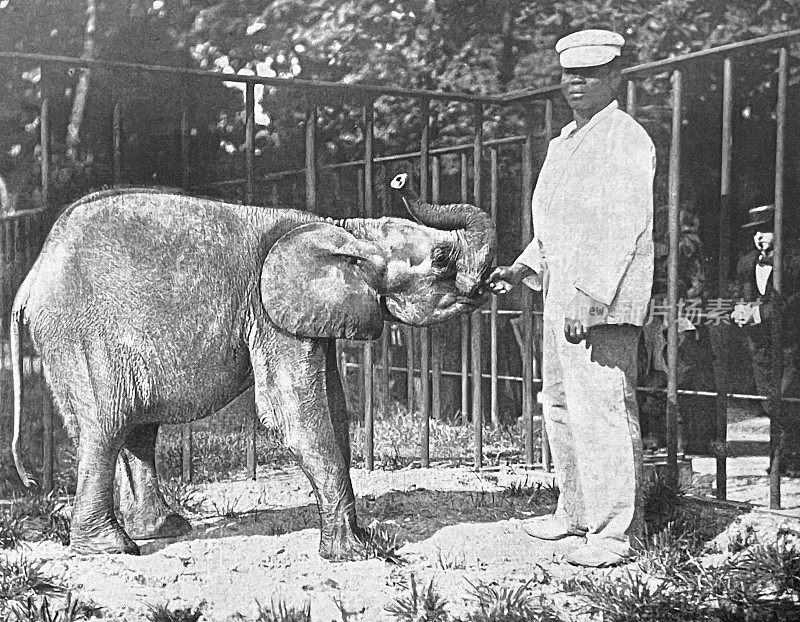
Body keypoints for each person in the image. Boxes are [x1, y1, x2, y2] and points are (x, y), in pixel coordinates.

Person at [487, 28, 656, 567]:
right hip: (562, 294)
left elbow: (623, 226)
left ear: (615, 76)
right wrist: (523, 266)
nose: (575, 83)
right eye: (568, 74)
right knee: (559, 404)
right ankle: (576, 511)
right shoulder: (564, 141)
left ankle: (613, 534)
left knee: (602, 408)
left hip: (603, 298)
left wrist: (592, 298)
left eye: (590, 73)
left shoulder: (626, 138)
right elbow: (557, 225)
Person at [731, 205, 800, 475]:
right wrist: (739, 310)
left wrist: (760, 313)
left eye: (766, 230)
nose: (760, 236)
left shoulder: (794, 260)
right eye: (756, 231)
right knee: (768, 397)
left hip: (791, 341)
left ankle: (788, 457)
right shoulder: (747, 262)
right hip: (760, 342)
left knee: (788, 396)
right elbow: (739, 293)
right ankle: (782, 454)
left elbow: (794, 302)